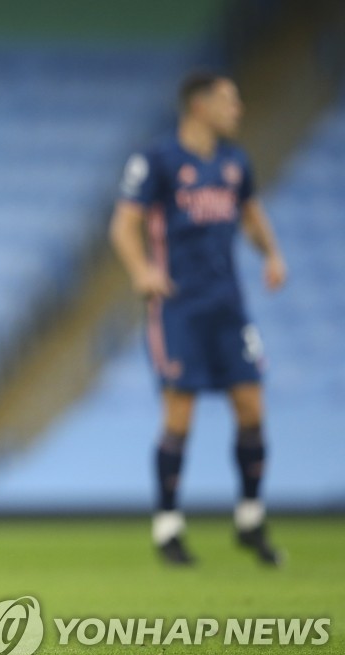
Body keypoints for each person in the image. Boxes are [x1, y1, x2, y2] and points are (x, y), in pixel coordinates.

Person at [110, 71, 288, 566]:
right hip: (177, 309)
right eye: (229, 99)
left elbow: (250, 212)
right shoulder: (158, 160)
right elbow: (123, 224)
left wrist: (271, 254)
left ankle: (250, 519)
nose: (238, 108)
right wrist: (142, 270)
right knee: (179, 416)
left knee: (252, 409)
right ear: (200, 105)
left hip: (228, 307)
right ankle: (168, 526)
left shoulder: (235, 162)